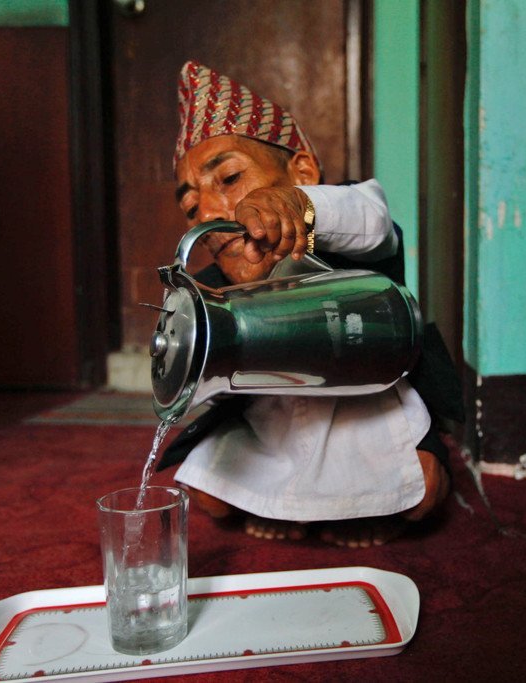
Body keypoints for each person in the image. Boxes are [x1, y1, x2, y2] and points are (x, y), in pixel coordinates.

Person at [157, 61, 462, 547]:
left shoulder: (345, 229)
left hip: (362, 415)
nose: (209, 212)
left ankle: (357, 505)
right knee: (205, 491)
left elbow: (371, 219)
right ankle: (287, 500)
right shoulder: (212, 287)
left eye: (230, 178)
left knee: (422, 486)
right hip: (271, 419)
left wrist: (299, 206)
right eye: (192, 207)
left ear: (302, 172)